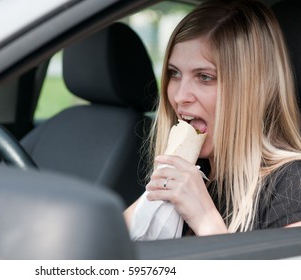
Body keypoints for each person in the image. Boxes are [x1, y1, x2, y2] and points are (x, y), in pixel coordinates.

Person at [124, 0, 301, 236]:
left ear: (252, 89)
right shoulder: (196, 170)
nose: (179, 96)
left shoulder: (291, 185)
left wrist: (205, 219)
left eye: (205, 77)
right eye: (174, 73)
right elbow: (103, 249)